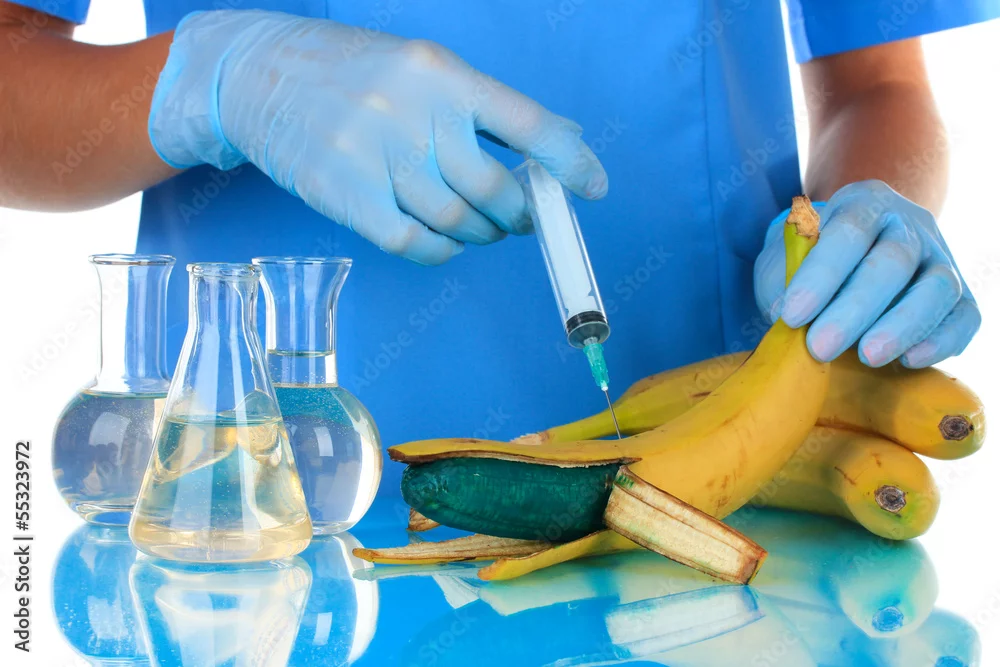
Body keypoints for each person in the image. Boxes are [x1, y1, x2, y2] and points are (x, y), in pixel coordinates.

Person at [1, 1, 992, 490]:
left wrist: (862, 217)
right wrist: (219, 79)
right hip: (259, 489)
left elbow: (878, 87)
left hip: (714, 479)